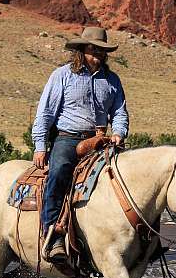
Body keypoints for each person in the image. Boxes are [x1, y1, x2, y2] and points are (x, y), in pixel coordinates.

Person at [31, 26, 129, 263]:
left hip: (101, 140)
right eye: (92, 49)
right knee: (58, 173)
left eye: (101, 50)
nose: (97, 54)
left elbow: (120, 113)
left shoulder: (112, 80)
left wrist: (119, 132)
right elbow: (45, 114)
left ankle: (129, 238)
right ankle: (52, 233)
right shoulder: (62, 75)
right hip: (68, 138)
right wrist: (41, 145)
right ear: (82, 50)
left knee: (126, 176)